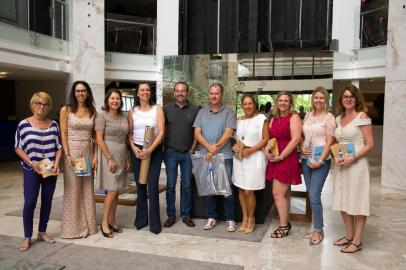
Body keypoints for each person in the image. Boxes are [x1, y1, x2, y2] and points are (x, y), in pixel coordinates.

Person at [14, 92, 62, 251]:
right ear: (33, 104)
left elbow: (59, 147)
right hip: (31, 169)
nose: (42, 106)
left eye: (45, 104)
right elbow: (18, 147)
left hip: (49, 170)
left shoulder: (54, 125)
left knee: (47, 201)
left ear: (49, 107)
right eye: (39, 103)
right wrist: (30, 162)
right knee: (30, 202)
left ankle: (42, 231)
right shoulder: (23, 124)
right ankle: (27, 236)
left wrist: (56, 163)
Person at [332, 84, 374, 253]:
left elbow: (370, 145)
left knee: (358, 202)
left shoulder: (362, 116)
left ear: (356, 99)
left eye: (351, 96)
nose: (348, 99)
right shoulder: (338, 119)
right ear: (341, 100)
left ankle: (357, 241)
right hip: (342, 165)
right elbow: (338, 141)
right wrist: (336, 153)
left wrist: (353, 158)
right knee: (343, 201)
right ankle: (349, 236)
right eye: (345, 97)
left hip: (357, 165)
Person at [193, 82, 237, 232]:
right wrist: (209, 148)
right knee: (209, 188)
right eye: (211, 93)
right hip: (206, 156)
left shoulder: (229, 113)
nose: (213, 96)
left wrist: (215, 148)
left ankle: (230, 218)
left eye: (216, 93)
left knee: (227, 189)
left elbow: (228, 133)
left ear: (222, 95)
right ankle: (211, 217)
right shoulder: (202, 112)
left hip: (225, 156)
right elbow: (197, 133)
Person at [59, 81, 98, 238]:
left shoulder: (92, 110)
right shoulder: (66, 110)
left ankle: (89, 226)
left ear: (87, 93)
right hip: (73, 154)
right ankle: (72, 229)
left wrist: (95, 157)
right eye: (77, 91)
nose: (80, 93)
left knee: (88, 189)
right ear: (73, 93)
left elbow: (95, 136)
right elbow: (63, 134)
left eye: (83, 90)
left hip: (87, 151)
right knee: (73, 191)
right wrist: (67, 155)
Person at [128, 82, 165, 234]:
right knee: (140, 184)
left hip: (154, 151)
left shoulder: (158, 109)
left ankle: (155, 223)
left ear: (150, 93)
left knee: (152, 184)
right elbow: (129, 133)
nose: (145, 92)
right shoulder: (132, 111)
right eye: (142, 90)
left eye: (147, 90)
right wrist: (133, 148)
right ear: (137, 93)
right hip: (137, 151)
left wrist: (149, 150)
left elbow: (162, 133)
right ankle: (141, 220)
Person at [300, 87, 336, 245]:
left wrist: (320, 160)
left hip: (321, 160)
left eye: (322, 98)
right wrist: (302, 148)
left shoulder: (329, 118)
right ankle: (316, 227)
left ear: (326, 99)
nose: (318, 100)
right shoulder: (307, 115)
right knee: (311, 194)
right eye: (316, 98)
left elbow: (330, 142)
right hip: (306, 159)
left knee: (314, 194)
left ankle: (318, 230)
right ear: (312, 99)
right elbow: (303, 137)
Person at [265, 91, 302, 238]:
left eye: (286, 100)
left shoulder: (294, 117)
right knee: (284, 194)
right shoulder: (273, 119)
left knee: (277, 193)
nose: (283, 103)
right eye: (280, 100)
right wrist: (268, 150)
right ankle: (285, 223)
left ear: (290, 103)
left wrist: (281, 156)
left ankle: (283, 226)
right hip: (275, 158)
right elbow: (271, 139)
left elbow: (295, 140)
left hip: (286, 158)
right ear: (276, 102)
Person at [163, 82, 200, 228]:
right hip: (170, 152)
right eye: (177, 91)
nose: (180, 93)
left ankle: (186, 215)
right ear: (173, 93)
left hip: (187, 154)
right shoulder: (166, 109)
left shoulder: (196, 109)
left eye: (183, 91)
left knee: (187, 186)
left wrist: (193, 148)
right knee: (170, 186)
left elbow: (198, 131)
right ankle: (171, 216)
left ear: (187, 92)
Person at [95, 89, 130, 238]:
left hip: (121, 153)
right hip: (108, 154)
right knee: (112, 190)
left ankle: (112, 221)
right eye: (112, 98)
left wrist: (127, 158)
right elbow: (99, 139)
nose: (115, 101)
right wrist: (109, 158)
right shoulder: (101, 116)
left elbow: (126, 138)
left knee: (117, 191)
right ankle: (104, 223)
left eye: (117, 99)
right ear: (107, 100)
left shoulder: (124, 116)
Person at [232, 94, 269, 233]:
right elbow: (236, 139)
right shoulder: (239, 120)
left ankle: (251, 218)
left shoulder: (261, 119)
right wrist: (234, 146)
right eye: (245, 104)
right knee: (241, 189)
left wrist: (251, 150)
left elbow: (265, 139)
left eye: (250, 103)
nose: (247, 106)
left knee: (248, 190)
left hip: (254, 157)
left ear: (255, 104)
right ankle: (245, 218)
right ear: (242, 105)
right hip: (239, 157)